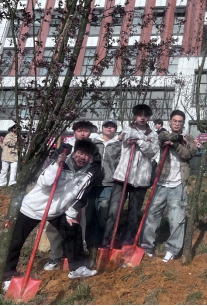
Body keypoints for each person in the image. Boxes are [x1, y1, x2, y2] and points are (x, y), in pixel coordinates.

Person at [3, 140, 99, 285]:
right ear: (74, 154)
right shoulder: (61, 163)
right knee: (16, 241)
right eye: (80, 153)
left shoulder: (88, 173)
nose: (82, 157)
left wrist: (71, 215)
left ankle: (77, 268)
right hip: (32, 208)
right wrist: (56, 166)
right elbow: (45, 183)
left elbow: (81, 197)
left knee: (74, 229)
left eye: (87, 155)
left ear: (90, 158)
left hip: (55, 211)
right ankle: (7, 276)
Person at [141, 110, 198, 263]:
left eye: (180, 121)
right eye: (175, 121)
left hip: (178, 183)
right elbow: (161, 137)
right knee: (152, 216)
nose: (177, 124)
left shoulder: (189, 138)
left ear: (183, 123)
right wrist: (176, 139)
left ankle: (172, 249)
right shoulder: (163, 134)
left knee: (176, 219)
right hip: (160, 182)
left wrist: (174, 144)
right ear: (170, 122)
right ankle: (147, 246)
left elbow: (188, 154)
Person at [44, 120, 100, 271]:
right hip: (60, 194)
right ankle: (55, 255)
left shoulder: (93, 150)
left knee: (78, 225)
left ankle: (79, 253)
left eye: (86, 131)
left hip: (79, 194)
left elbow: (96, 168)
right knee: (53, 227)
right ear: (74, 132)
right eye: (79, 130)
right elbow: (53, 167)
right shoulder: (66, 147)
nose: (82, 133)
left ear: (90, 133)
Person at [102, 104, 159, 248]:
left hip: (141, 180)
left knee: (134, 213)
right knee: (114, 211)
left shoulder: (153, 134)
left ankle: (126, 242)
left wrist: (139, 141)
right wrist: (144, 139)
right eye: (139, 115)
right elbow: (126, 136)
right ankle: (107, 241)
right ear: (135, 116)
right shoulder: (127, 129)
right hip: (122, 177)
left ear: (149, 117)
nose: (142, 118)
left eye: (145, 115)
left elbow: (152, 152)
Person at [87, 119, 122, 249]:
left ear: (115, 130)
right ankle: (88, 241)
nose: (109, 128)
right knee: (89, 215)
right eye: (107, 126)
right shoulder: (93, 143)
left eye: (112, 127)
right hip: (91, 183)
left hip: (108, 184)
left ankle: (100, 241)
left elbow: (122, 163)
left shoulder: (119, 145)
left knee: (103, 215)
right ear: (102, 128)